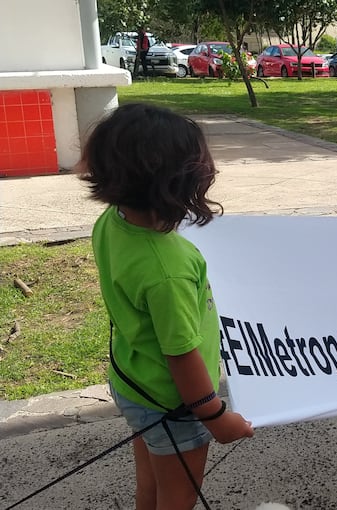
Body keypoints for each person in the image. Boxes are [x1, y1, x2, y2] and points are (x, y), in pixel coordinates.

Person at [78, 103, 254, 509]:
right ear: (179, 183)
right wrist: (216, 417)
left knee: (152, 487)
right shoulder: (168, 269)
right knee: (177, 498)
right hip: (174, 404)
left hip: (134, 384)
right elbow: (181, 354)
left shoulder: (112, 220)